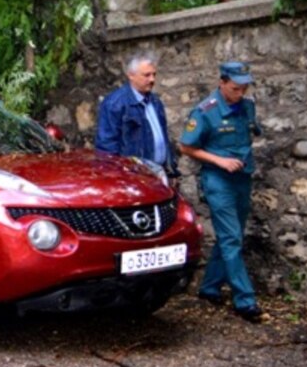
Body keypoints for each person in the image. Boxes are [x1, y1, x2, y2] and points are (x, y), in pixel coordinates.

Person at [178, 62, 265, 323]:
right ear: (222, 83)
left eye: (244, 87)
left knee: (231, 236)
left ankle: (209, 287)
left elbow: (251, 133)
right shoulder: (206, 111)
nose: (241, 92)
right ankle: (245, 300)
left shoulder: (247, 106)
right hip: (219, 181)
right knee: (232, 239)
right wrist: (220, 160)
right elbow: (186, 146)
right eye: (236, 88)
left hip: (242, 178)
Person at [95, 54, 176, 175]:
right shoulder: (115, 103)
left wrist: (172, 172)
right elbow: (106, 149)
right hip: (134, 177)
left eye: (154, 74)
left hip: (159, 174)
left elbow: (163, 139)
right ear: (131, 75)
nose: (152, 79)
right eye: (147, 75)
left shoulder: (155, 102)